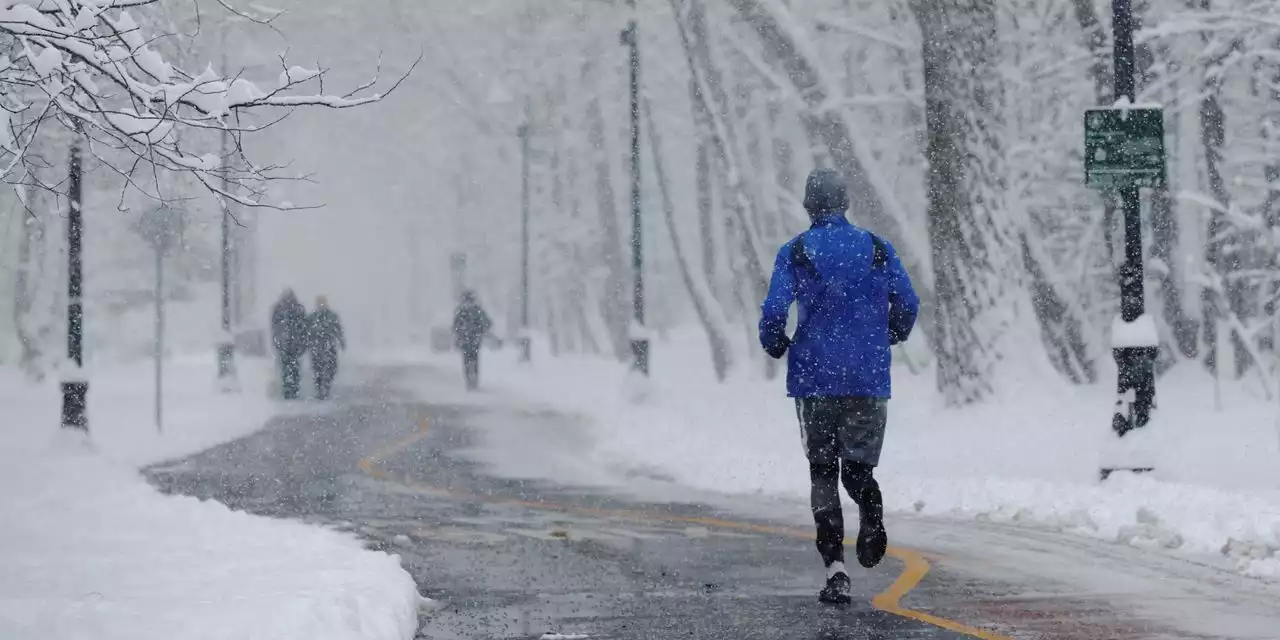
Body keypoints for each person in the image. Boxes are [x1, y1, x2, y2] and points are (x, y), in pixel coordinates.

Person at [758, 167, 919, 605]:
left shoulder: (795, 251)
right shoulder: (879, 248)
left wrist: (774, 343)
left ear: (809, 205)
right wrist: (890, 334)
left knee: (823, 472)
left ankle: (836, 570)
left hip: (815, 379)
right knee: (858, 468)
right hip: (867, 378)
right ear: (845, 203)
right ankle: (870, 506)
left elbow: (775, 309)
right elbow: (908, 302)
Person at [270, 289, 308, 400]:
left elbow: (275, 327)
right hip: (290, 345)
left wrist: (277, 341)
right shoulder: (296, 309)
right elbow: (275, 327)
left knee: (289, 368)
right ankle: (290, 389)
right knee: (290, 368)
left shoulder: (282, 309)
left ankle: (290, 389)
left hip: (289, 345)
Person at [452, 290, 493, 391]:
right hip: (475, 339)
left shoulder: (460, 310)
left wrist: (459, 334)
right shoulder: (477, 310)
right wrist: (481, 330)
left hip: (465, 339)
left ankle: (468, 379)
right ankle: (475, 378)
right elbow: (488, 322)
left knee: (466, 359)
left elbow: (455, 325)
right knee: (475, 359)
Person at [307, 296, 346, 400]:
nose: (321, 305)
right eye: (319, 303)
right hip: (316, 346)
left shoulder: (332, 316)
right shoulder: (312, 317)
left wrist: (342, 342)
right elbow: (306, 331)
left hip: (329, 345)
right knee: (317, 369)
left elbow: (338, 329)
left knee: (331, 368)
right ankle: (320, 390)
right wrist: (306, 343)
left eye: (323, 302)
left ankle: (326, 387)